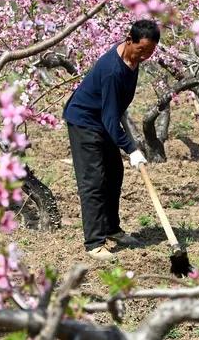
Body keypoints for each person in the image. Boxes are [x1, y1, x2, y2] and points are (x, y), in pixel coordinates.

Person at [63, 19, 160, 260]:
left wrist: (126, 145)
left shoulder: (132, 61)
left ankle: (111, 229)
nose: (145, 56)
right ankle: (94, 242)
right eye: (141, 50)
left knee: (114, 175)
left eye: (150, 51)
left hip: (103, 120)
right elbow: (109, 119)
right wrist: (132, 148)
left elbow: (113, 112)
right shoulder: (112, 71)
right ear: (129, 40)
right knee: (93, 181)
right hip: (85, 121)